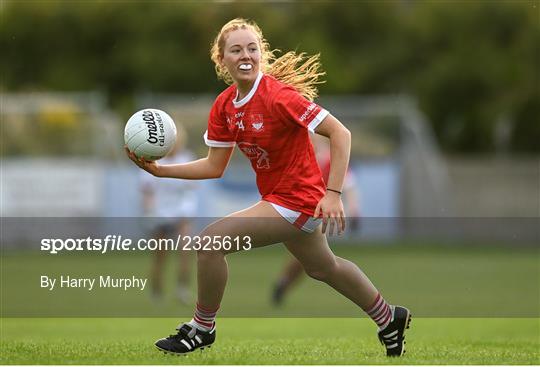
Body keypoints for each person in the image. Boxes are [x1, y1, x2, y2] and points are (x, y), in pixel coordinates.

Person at [126, 18, 411, 357]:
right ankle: (388, 317)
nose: (245, 55)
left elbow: (341, 133)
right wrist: (161, 171)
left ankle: (202, 328)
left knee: (209, 243)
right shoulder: (224, 106)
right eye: (236, 50)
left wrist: (333, 194)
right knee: (323, 268)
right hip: (281, 201)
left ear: (261, 54)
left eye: (252, 48)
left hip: (298, 200)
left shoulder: (279, 96)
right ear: (222, 59)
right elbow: (214, 166)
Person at [271, 135, 361, 306]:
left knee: (314, 262)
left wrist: (354, 210)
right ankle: (283, 283)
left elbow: (349, 186)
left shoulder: (330, 160)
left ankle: (283, 284)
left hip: (319, 215)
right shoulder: (298, 159)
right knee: (312, 261)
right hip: (300, 213)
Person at [140, 127, 198, 304]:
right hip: (161, 216)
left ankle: (182, 289)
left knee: (185, 252)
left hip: (182, 215)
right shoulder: (154, 161)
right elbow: (147, 191)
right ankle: (156, 292)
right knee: (160, 257)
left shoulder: (186, 159)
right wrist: (149, 212)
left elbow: (194, 186)